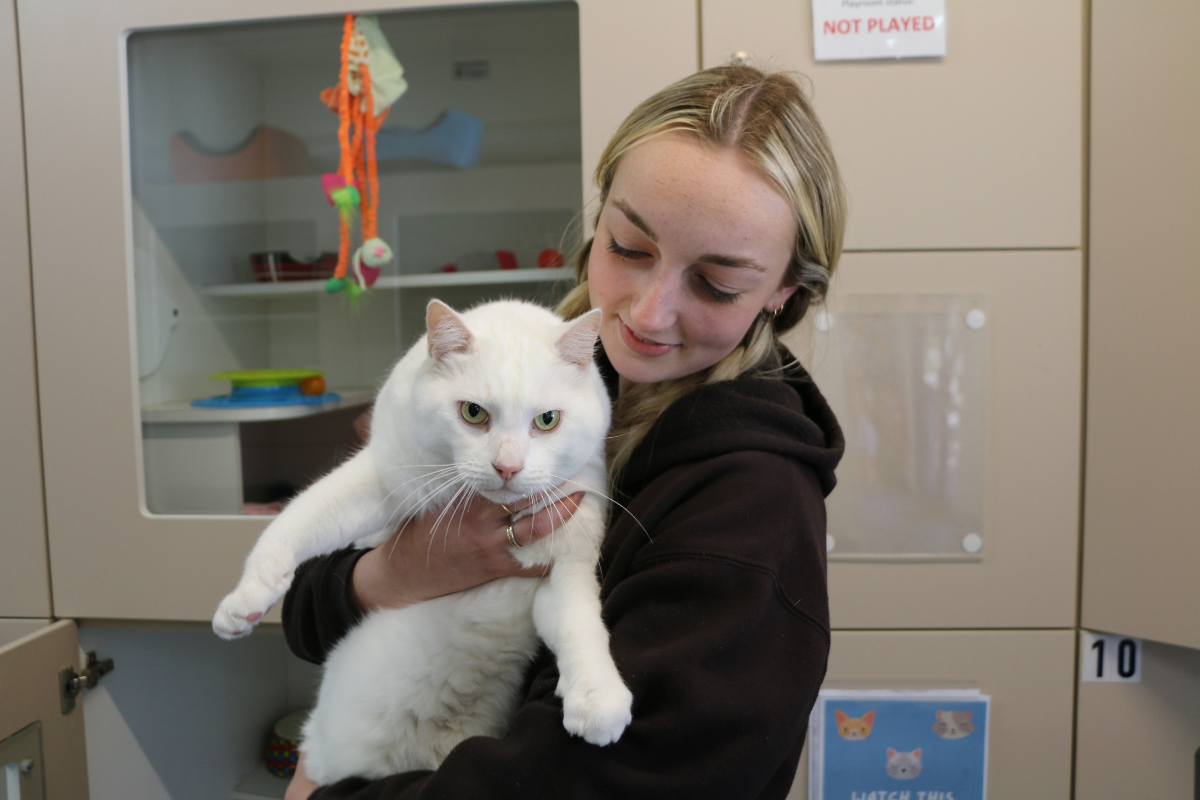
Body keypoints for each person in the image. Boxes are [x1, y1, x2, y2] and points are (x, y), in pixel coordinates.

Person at [282, 64, 846, 800]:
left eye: (716, 283)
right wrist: (396, 572)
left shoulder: (749, 511)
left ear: (783, 293)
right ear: (599, 216)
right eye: (630, 248)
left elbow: (589, 784)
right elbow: (306, 606)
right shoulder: (544, 375)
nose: (646, 313)